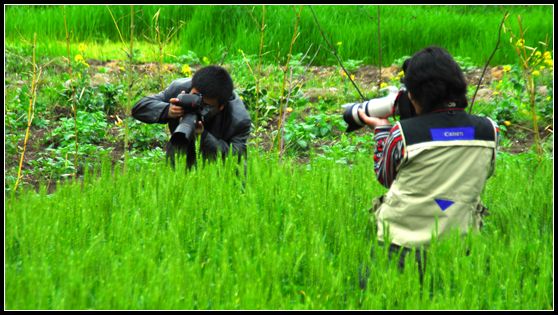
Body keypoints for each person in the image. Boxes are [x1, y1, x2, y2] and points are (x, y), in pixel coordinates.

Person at [358, 46, 499, 282]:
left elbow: (385, 176)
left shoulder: (403, 133)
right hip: (461, 247)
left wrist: (382, 131)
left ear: (413, 95)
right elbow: (486, 172)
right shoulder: (488, 130)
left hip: (400, 247)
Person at [131, 65, 252, 169]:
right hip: (181, 147)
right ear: (191, 88)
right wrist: (167, 110)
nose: (198, 106)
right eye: (195, 98)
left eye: (205, 105)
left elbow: (236, 157)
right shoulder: (179, 89)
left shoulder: (239, 119)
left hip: (218, 169)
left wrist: (203, 136)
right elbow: (139, 108)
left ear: (221, 106)